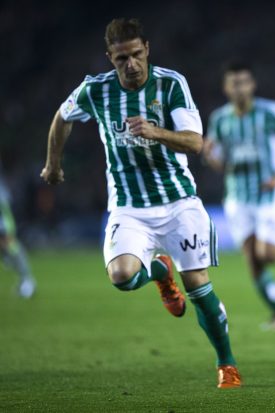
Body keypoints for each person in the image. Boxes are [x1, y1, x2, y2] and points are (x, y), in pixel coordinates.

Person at [41, 18, 241, 388]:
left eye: (135, 55)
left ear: (147, 48)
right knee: (121, 277)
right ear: (110, 57)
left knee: (198, 285)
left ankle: (226, 365)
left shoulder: (170, 84)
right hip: (129, 206)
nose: (130, 64)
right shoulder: (95, 90)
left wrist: (155, 131)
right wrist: (54, 163)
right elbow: (62, 117)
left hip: (179, 201)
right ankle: (161, 273)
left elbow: (195, 143)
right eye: (121, 58)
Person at [203, 62, 275, 331]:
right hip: (237, 197)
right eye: (234, 83)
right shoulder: (219, 120)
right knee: (251, 258)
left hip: (270, 193)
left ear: (252, 85)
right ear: (226, 88)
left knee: (268, 255)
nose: (239, 88)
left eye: (244, 82)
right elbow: (222, 162)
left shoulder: (271, 113)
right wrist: (209, 155)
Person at [0, 159, 36, 299]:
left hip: (2, 206)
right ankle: (23, 279)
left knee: (8, 241)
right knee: (5, 245)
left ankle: (28, 280)